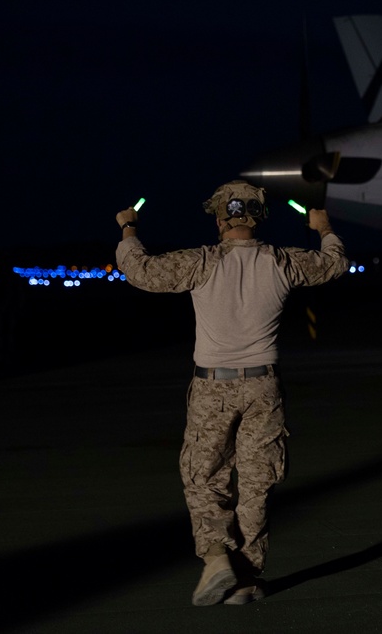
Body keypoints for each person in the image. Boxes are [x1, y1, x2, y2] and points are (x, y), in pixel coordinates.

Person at [114, 180, 348, 606]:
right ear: (258, 218)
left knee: (204, 476)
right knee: (257, 484)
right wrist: (324, 227)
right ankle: (247, 579)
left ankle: (217, 556)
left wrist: (129, 228)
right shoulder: (282, 261)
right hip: (263, 386)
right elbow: (334, 263)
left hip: (212, 385)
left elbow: (141, 271)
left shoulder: (202, 262)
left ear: (220, 219)